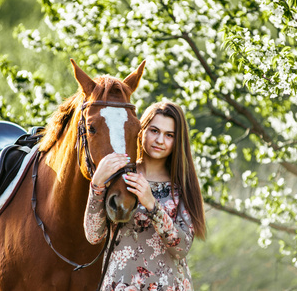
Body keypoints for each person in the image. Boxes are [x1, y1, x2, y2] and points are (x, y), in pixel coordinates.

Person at [84, 101, 206, 291]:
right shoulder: (119, 178)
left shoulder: (180, 186)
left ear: (177, 140)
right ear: (142, 130)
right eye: (154, 131)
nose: (159, 140)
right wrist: (97, 184)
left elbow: (181, 247)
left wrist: (152, 205)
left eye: (169, 135)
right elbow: (93, 235)